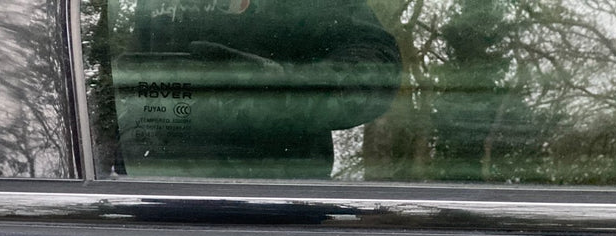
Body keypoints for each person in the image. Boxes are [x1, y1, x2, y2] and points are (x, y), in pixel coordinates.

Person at [107, 0, 402, 177]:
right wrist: (118, 135)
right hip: (160, 205)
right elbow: (128, 78)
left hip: (277, 211)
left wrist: (274, 91)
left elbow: (377, 71)